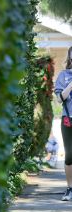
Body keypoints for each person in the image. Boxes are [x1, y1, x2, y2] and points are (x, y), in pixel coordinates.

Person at [54, 46, 72, 201]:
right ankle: (69, 188)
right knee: (70, 155)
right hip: (69, 119)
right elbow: (60, 99)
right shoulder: (63, 75)